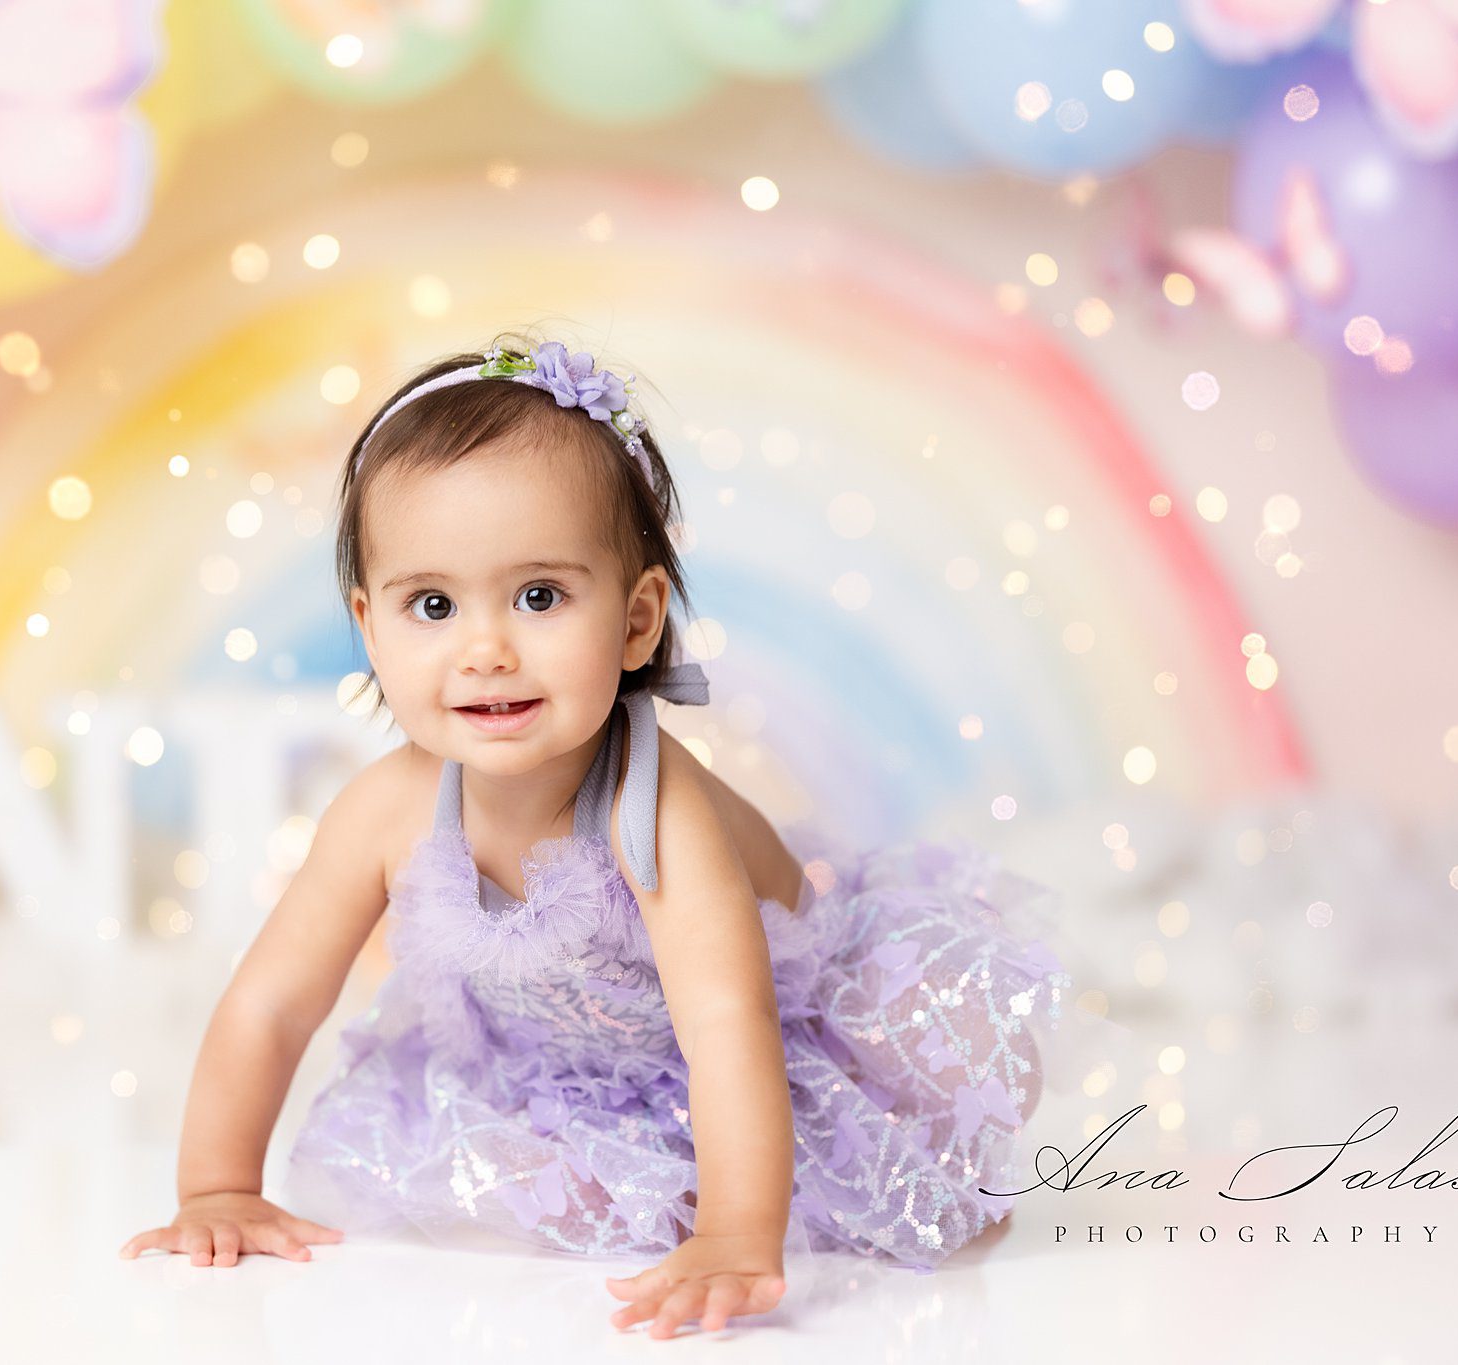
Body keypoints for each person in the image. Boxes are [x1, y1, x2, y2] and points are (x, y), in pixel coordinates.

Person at [121, 332, 1074, 1339]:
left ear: (635, 622)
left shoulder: (658, 814)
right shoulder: (384, 808)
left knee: (814, 1204)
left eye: (538, 596)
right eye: (432, 605)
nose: (484, 649)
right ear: (369, 626)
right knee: (509, 1218)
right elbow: (270, 1003)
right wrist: (217, 1185)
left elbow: (725, 1027)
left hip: (758, 1064)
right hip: (573, 1064)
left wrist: (735, 1235)